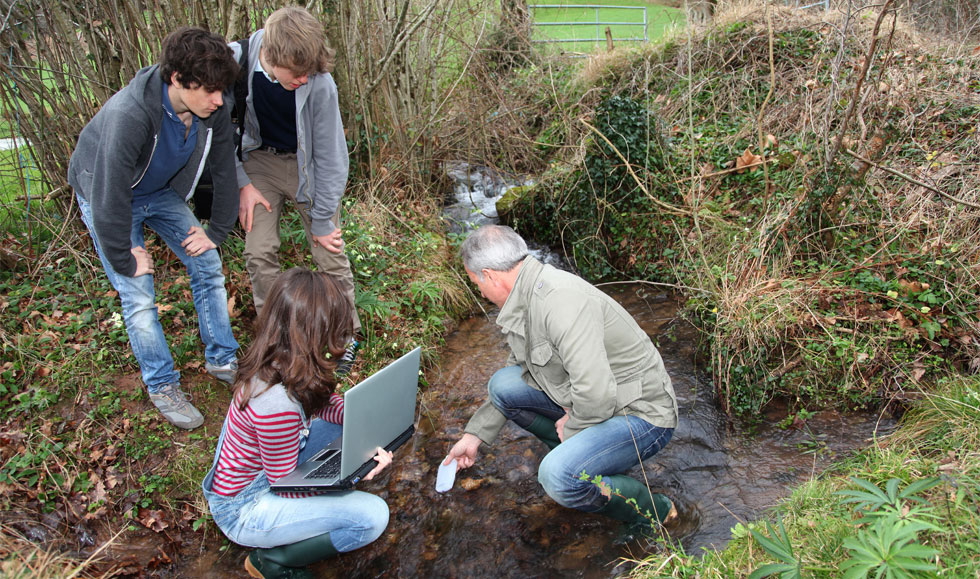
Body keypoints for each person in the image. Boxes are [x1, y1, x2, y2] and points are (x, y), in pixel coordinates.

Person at [444, 225, 679, 535]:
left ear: (492, 276)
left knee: (558, 477)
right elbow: (519, 367)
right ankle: (589, 460)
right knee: (503, 385)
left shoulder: (561, 301)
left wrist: (573, 426)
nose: (481, 292)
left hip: (641, 413)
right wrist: (475, 436)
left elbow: (595, 392)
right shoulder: (524, 296)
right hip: (600, 401)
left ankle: (654, 511)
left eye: (477, 283)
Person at [68, 27, 241, 430]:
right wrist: (122, 255)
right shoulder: (129, 114)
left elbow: (224, 169)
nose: (219, 100)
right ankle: (162, 384)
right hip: (108, 192)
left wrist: (215, 230)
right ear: (178, 80)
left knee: (207, 263)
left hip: (159, 191)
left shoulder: (212, 106)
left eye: (222, 91)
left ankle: (222, 358)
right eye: (210, 91)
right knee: (138, 293)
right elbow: (108, 191)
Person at [201, 268, 392, 579]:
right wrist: (354, 473)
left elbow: (321, 405)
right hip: (246, 506)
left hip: (270, 469)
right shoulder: (277, 406)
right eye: (338, 327)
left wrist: (363, 419)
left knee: (344, 429)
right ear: (317, 332)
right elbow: (286, 486)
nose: (344, 336)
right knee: (372, 517)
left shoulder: (282, 359)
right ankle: (274, 561)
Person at [232, 7, 361, 355]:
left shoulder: (320, 83)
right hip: (258, 164)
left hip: (309, 168)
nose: (304, 79)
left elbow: (332, 157)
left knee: (329, 251)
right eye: (297, 73)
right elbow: (213, 134)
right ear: (271, 56)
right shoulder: (235, 64)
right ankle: (276, 338)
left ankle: (344, 335)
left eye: (309, 72)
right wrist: (241, 181)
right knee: (259, 253)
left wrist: (321, 221)